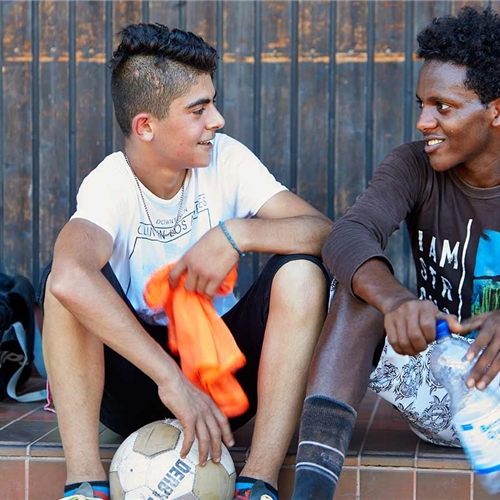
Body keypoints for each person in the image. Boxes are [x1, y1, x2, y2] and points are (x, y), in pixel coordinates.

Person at [39, 23, 332, 500]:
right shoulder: (110, 183)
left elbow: (325, 234)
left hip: (222, 379)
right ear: (146, 126)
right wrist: (171, 380)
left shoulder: (226, 160)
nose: (216, 120)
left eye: (212, 103)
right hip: (139, 383)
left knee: (303, 272)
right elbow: (70, 276)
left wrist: (238, 233)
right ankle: (84, 485)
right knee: (64, 287)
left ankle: (259, 482)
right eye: (199, 110)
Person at [291, 6, 500, 499]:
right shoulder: (414, 165)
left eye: (443, 107)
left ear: (495, 110)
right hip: (441, 390)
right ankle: (311, 491)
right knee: (357, 289)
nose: (424, 121)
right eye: (421, 103)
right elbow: (348, 236)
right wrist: (396, 302)